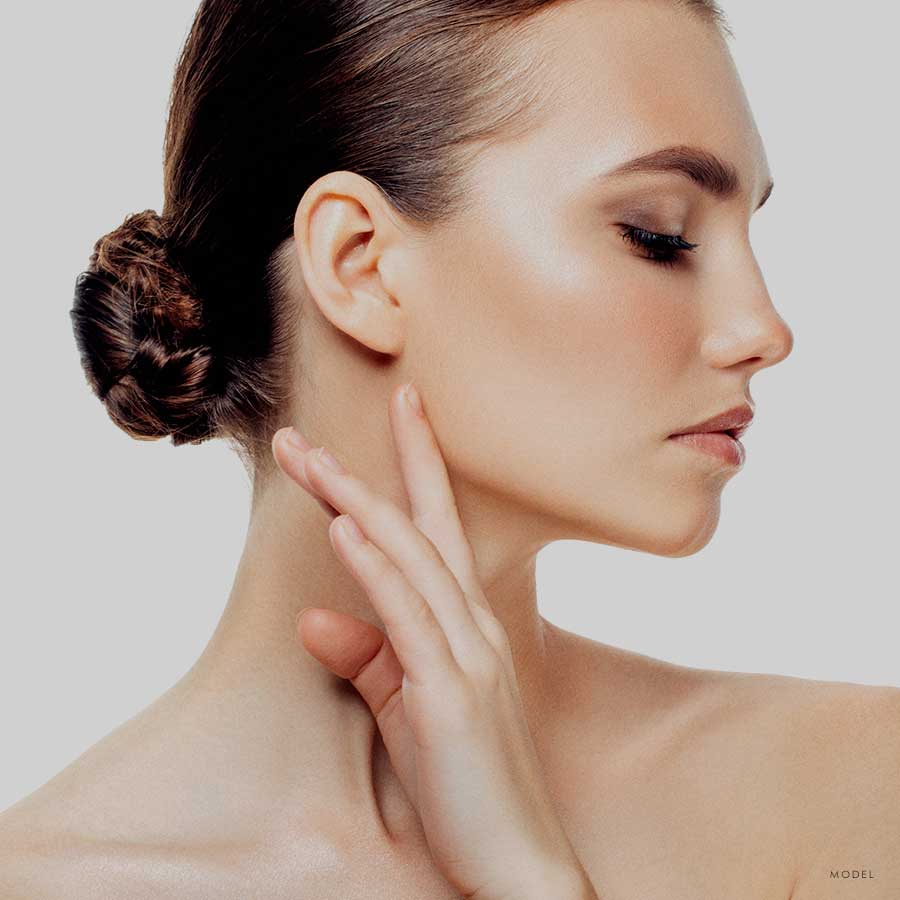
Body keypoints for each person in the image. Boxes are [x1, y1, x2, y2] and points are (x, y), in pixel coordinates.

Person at [2, 0, 898, 897]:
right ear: (360, 262)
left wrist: (532, 877)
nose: (763, 330)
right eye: (658, 235)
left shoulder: (859, 790)